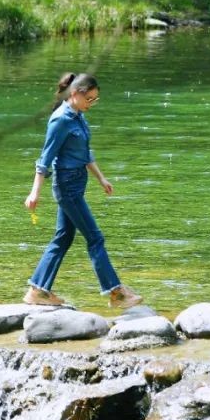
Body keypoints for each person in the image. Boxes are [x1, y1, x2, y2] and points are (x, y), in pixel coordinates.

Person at [23, 72, 143, 309]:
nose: (92, 103)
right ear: (75, 94)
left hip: (78, 182)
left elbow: (85, 154)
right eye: (89, 98)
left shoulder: (78, 116)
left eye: (95, 99)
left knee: (63, 238)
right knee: (95, 237)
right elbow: (45, 159)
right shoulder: (60, 120)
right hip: (67, 185)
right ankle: (116, 293)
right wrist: (34, 192)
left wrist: (101, 178)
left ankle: (37, 290)